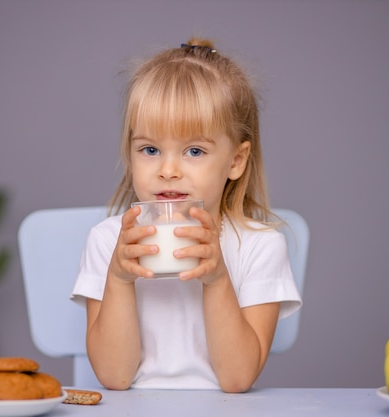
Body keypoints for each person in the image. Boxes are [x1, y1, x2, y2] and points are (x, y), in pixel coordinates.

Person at [71, 38, 301, 393]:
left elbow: (237, 379)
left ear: (236, 161)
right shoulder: (108, 241)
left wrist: (217, 279)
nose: (168, 169)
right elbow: (114, 377)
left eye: (194, 150)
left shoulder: (261, 247)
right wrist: (118, 279)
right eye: (150, 149)